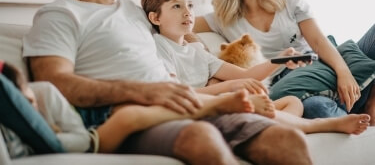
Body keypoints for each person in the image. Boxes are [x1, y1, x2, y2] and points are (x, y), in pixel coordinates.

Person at [22, 0, 313, 164]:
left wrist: (270, 59)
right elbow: (54, 81)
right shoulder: (60, 14)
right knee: (202, 138)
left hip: (185, 102)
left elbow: (174, 17)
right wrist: (143, 90)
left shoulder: (133, 12)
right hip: (128, 115)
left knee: (287, 141)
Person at [141, 0, 370, 135]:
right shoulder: (158, 47)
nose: (188, 12)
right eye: (177, 6)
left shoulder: (196, 52)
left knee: (292, 102)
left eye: (190, 6)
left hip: (222, 102)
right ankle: (317, 125)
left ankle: (269, 125)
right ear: (155, 18)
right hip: (198, 107)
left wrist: (280, 60)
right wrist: (226, 88)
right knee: (252, 102)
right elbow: (176, 94)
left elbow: (246, 75)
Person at [193, 0, 375, 124]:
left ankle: (368, 99)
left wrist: (343, 72)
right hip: (292, 84)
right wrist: (200, 49)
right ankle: (357, 112)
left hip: (323, 66)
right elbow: (180, 23)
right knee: (316, 108)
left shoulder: (291, 4)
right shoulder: (222, 20)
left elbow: (319, 43)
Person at [0, 60, 258, 153]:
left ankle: (212, 105)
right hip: (89, 136)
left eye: (29, 102)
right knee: (130, 116)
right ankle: (211, 106)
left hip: (81, 121)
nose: (30, 111)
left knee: (136, 109)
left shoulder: (44, 92)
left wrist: (52, 131)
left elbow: (78, 135)